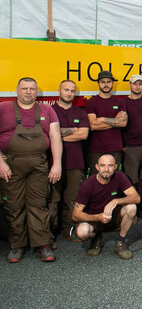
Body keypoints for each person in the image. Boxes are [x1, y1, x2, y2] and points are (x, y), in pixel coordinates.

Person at [0, 77, 62, 263]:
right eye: (24, 88)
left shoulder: (47, 110)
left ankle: (42, 245)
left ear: (37, 91)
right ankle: (17, 246)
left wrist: (57, 163)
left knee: (39, 205)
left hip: (39, 165)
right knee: (14, 206)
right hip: (10, 165)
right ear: (17, 90)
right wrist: (0, 163)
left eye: (32, 89)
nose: (28, 92)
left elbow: (55, 136)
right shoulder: (3, 109)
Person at [73, 153, 139, 260]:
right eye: (103, 165)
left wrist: (116, 201)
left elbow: (136, 198)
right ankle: (95, 237)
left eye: (110, 166)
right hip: (94, 220)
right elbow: (75, 215)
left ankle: (120, 242)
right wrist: (98, 217)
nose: (106, 169)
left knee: (132, 207)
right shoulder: (88, 184)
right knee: (82, 232)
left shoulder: (120, 177)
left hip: (113, 217)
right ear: (97, 167)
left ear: (115, 167)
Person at [49, 79, 89, 242]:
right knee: (53, 198)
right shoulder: (49, 111)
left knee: (72, 199)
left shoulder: (80, 112)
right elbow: (47, 135)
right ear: (59, 91)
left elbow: (84, 134)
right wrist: (73, 130)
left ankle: (69, 230)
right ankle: (49, 232)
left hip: (75, 162)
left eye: (72, 91)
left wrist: (57, 136)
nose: (69, 93)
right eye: (66, 90)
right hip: (53, 163)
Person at [84, 69, 127, 172]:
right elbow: (93, 125)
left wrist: (102, 119)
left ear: (112, 83)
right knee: (96, 179)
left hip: (115, 148)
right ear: (98, 83)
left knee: (114, 178)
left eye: (108, 82)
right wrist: (115, 122)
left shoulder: (120, 102)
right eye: (103, 82)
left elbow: (123, 123)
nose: (106, 84)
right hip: (96, 149)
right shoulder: (91, 102)